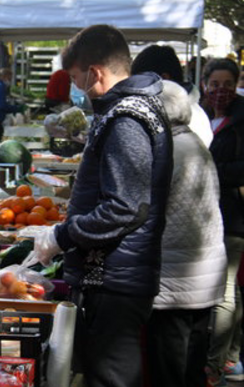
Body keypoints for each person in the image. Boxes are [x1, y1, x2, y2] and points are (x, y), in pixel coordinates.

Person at [28, 25, 172, 387]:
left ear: (94, 73)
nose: (76, 89)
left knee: (110, 377)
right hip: (117, 273)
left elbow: (125, 206)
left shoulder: (126, 118)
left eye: (76, 78)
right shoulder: (136, 109)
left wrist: (63, 235)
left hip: (113, 278)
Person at [141, 80, 226, 387]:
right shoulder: (193, 143)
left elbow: (143, 209)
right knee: (191, 364)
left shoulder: (169, 150)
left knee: (170, 367)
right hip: (202, 274)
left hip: (176, 279)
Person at [202, 58, 244, 386]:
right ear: (205, 85)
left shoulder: (242, 119)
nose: (220, 91)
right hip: (205, 214)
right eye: (215, 84)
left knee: (225, 290)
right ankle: (231, 357)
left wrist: (207, 173)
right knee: (232, 290)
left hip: (232, 216)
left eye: (227, 85)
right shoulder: (200, 115)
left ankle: (214, 365)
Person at [131, 44, 213, 147]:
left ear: (164, 79)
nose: (138, 91)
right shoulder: (183, 112)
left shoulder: (190, 121)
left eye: (142, 83)